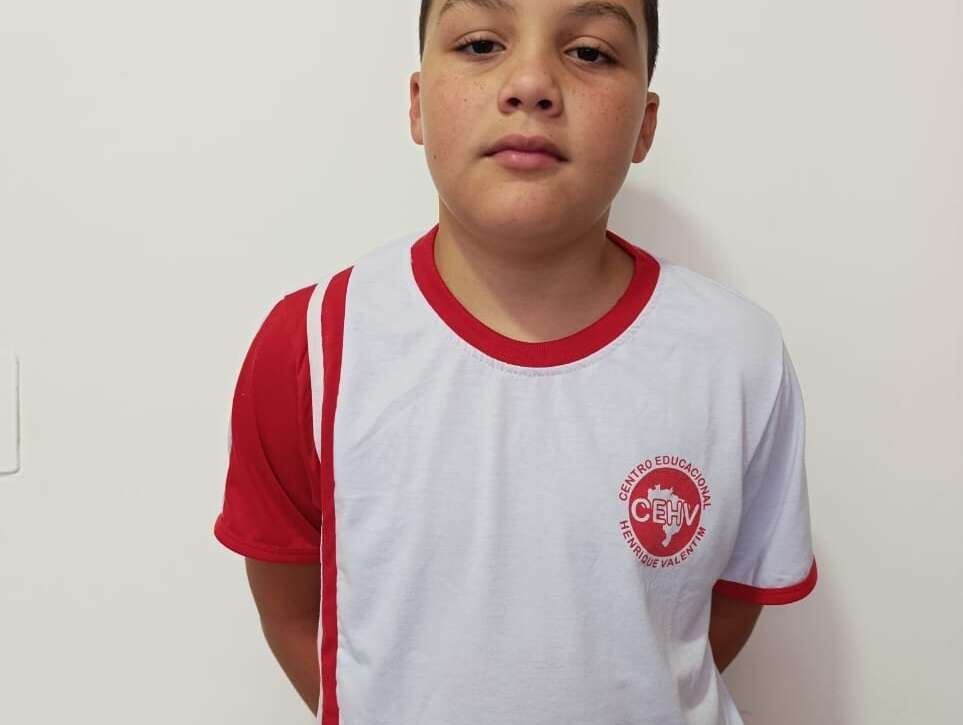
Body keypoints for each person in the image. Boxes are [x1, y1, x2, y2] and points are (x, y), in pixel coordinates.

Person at [212, 1, 818, 722]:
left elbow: (715, 616)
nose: (531, 83)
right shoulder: (311, 342)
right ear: (417, 104)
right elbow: (293, 611)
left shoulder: (735, 355)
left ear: (645, 126)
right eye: (479, 44)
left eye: (589, 52)